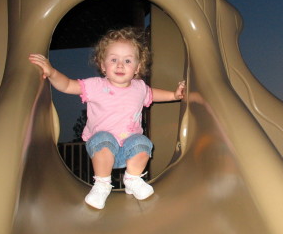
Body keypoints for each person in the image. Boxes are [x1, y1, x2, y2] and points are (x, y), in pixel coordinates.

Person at [29, 27, 185, 210]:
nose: (120, 65)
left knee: (143, 143)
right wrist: (52, 72)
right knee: (104, 139)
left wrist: (175, 95)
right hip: (101, 147)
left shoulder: (139, 87)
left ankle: (132, 179)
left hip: (129, 148)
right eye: (113, 60)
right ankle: (102, 184)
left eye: (127, 60)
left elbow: (153, 94)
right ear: (103, 65)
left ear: (138, 67)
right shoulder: (96, 86)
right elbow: (68, 86)